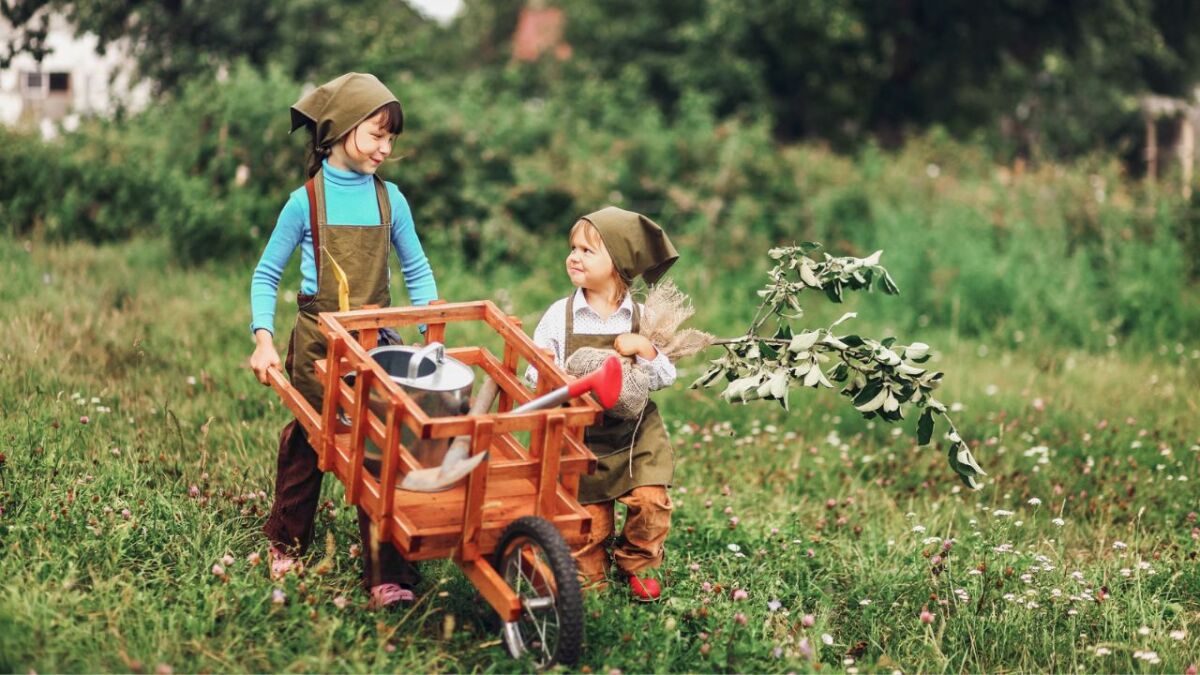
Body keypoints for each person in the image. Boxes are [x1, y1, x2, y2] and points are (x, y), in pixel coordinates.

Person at [248, 73, 438, 609]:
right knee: (312, 442)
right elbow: (266, 276)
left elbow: (418, 272)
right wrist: (264, 340)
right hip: (317, 348)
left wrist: (431, 333)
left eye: (391, 138)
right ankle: (286, 541)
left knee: (379, 448)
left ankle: (386, 574)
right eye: (377, 134)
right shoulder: (304, 202)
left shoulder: (391, 200)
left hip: (376, 343)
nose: (386, 148)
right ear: (342, 130)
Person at [526, 206, 679, 601]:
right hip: (581, 438)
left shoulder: (640, 318)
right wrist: (561, 378)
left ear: (619, 264)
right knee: (586, 529)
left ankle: (639, 561)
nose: (573, 257)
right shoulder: (559, 316)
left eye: (587, 251)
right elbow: (535, 374)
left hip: (634, 434)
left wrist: (644, 349)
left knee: (650, 503)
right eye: (572, 248)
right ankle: (593, 563)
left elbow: (665, 377)